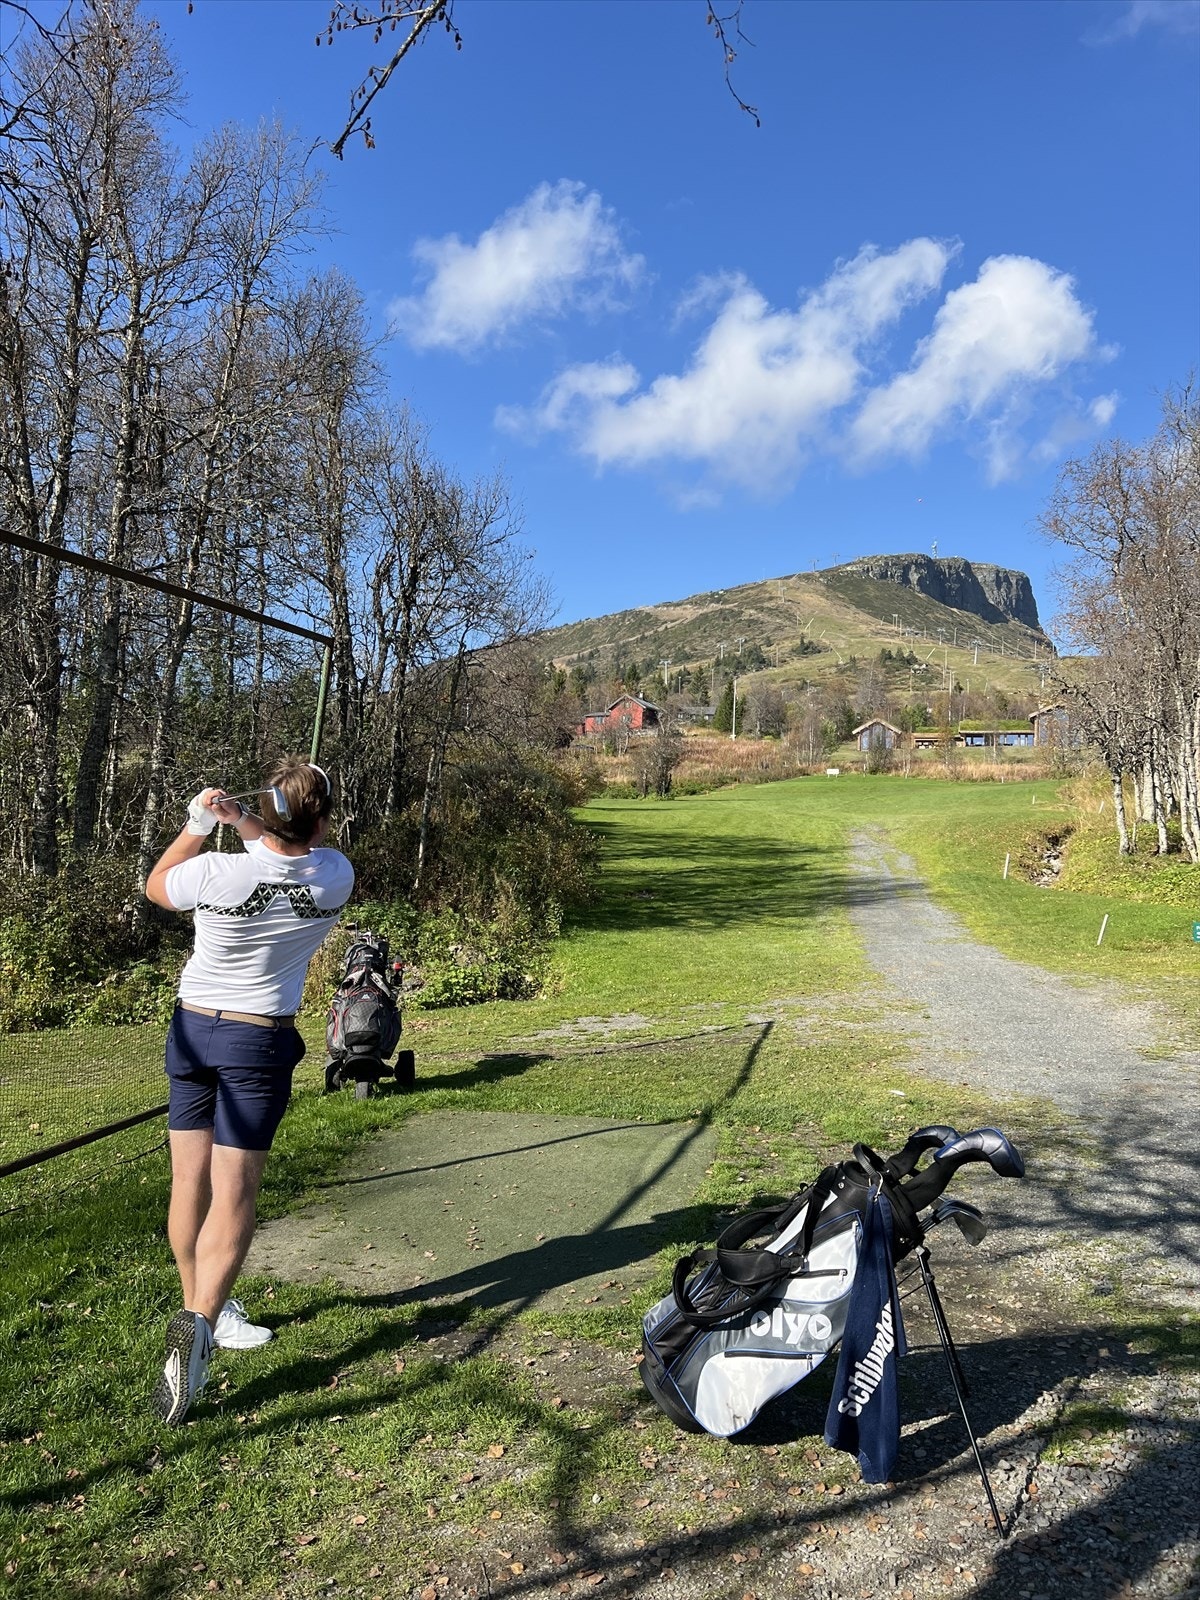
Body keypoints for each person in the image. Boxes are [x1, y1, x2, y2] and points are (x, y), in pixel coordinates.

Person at [145, 757, 353, 1426]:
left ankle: (200, 1307)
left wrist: (199, 824)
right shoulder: (335, 876)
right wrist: (243, 821)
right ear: (320, 819)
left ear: (266, 811)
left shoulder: (217, 871)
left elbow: (157, 885)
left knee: (189, 1184)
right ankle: (202, 1325)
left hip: (191, 1032)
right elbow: (281, 846)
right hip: (255, 1043)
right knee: (234, 1191)